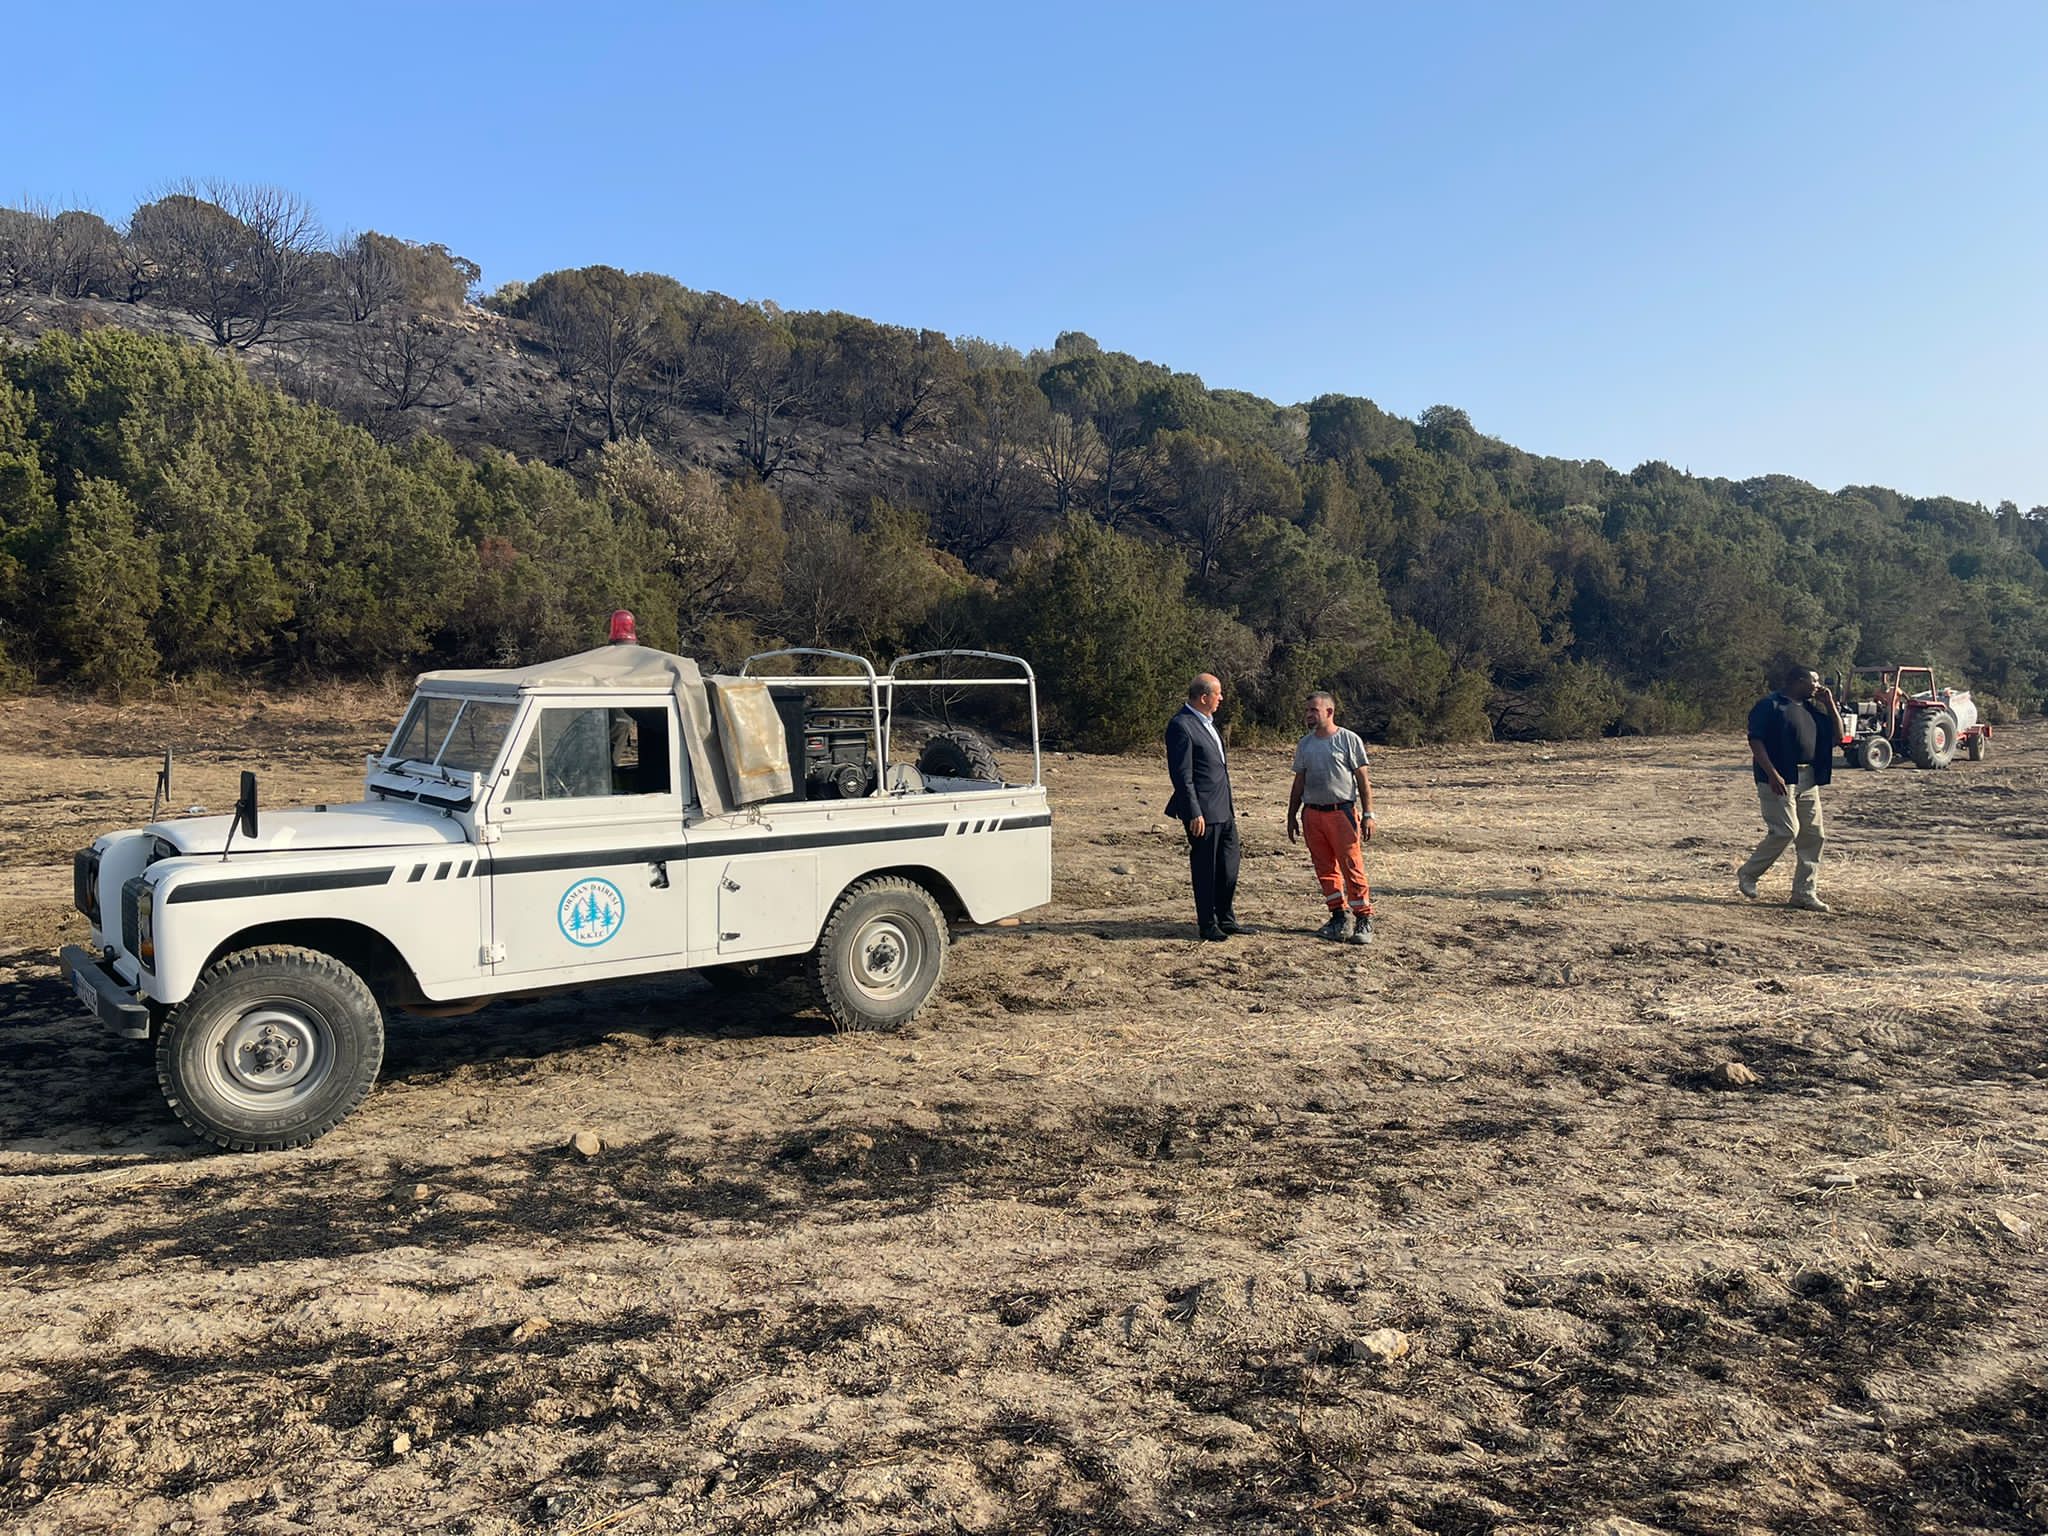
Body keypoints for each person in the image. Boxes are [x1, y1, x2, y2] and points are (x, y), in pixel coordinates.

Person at [1738, 662, 1839, 912]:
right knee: (1785, 830)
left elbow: (1838, 736)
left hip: (1808, 778)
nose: (1818, 686)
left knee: (1814, 835)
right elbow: (1756, 740)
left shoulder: (1811, 709)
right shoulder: (1770, 705)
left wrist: (1830, 704)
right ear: (1799, 681)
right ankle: (1749, 873)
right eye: (1814, 681)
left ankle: (1804, 893)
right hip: (1778, 778)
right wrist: (1772, 774)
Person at [1286, 691, 1376, 944]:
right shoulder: (1305, 744)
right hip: (1313, 814)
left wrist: (1368, 814)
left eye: (1313, 710)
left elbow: (1363, 781)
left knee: (1352, 866)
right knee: (1324, 868)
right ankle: (1338, 916)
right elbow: (1299, 782)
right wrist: (1292, 815)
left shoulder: (1349, 740)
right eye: (1307, 710)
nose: (1308, 715)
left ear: (1329, 712)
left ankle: (1363, 918)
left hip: (1341, 813)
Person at [1163, 673, 1242, 942]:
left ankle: (1226, 918)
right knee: (1206, 868)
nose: (1222, 698)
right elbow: (1182, 775)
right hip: (1203, 813)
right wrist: (1194, 811)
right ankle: (1207, 923)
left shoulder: (1208, 723)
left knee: (1229, 866)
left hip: (1224, 809)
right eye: (1218, 694)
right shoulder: (1181, 725)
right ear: (1204, 697)